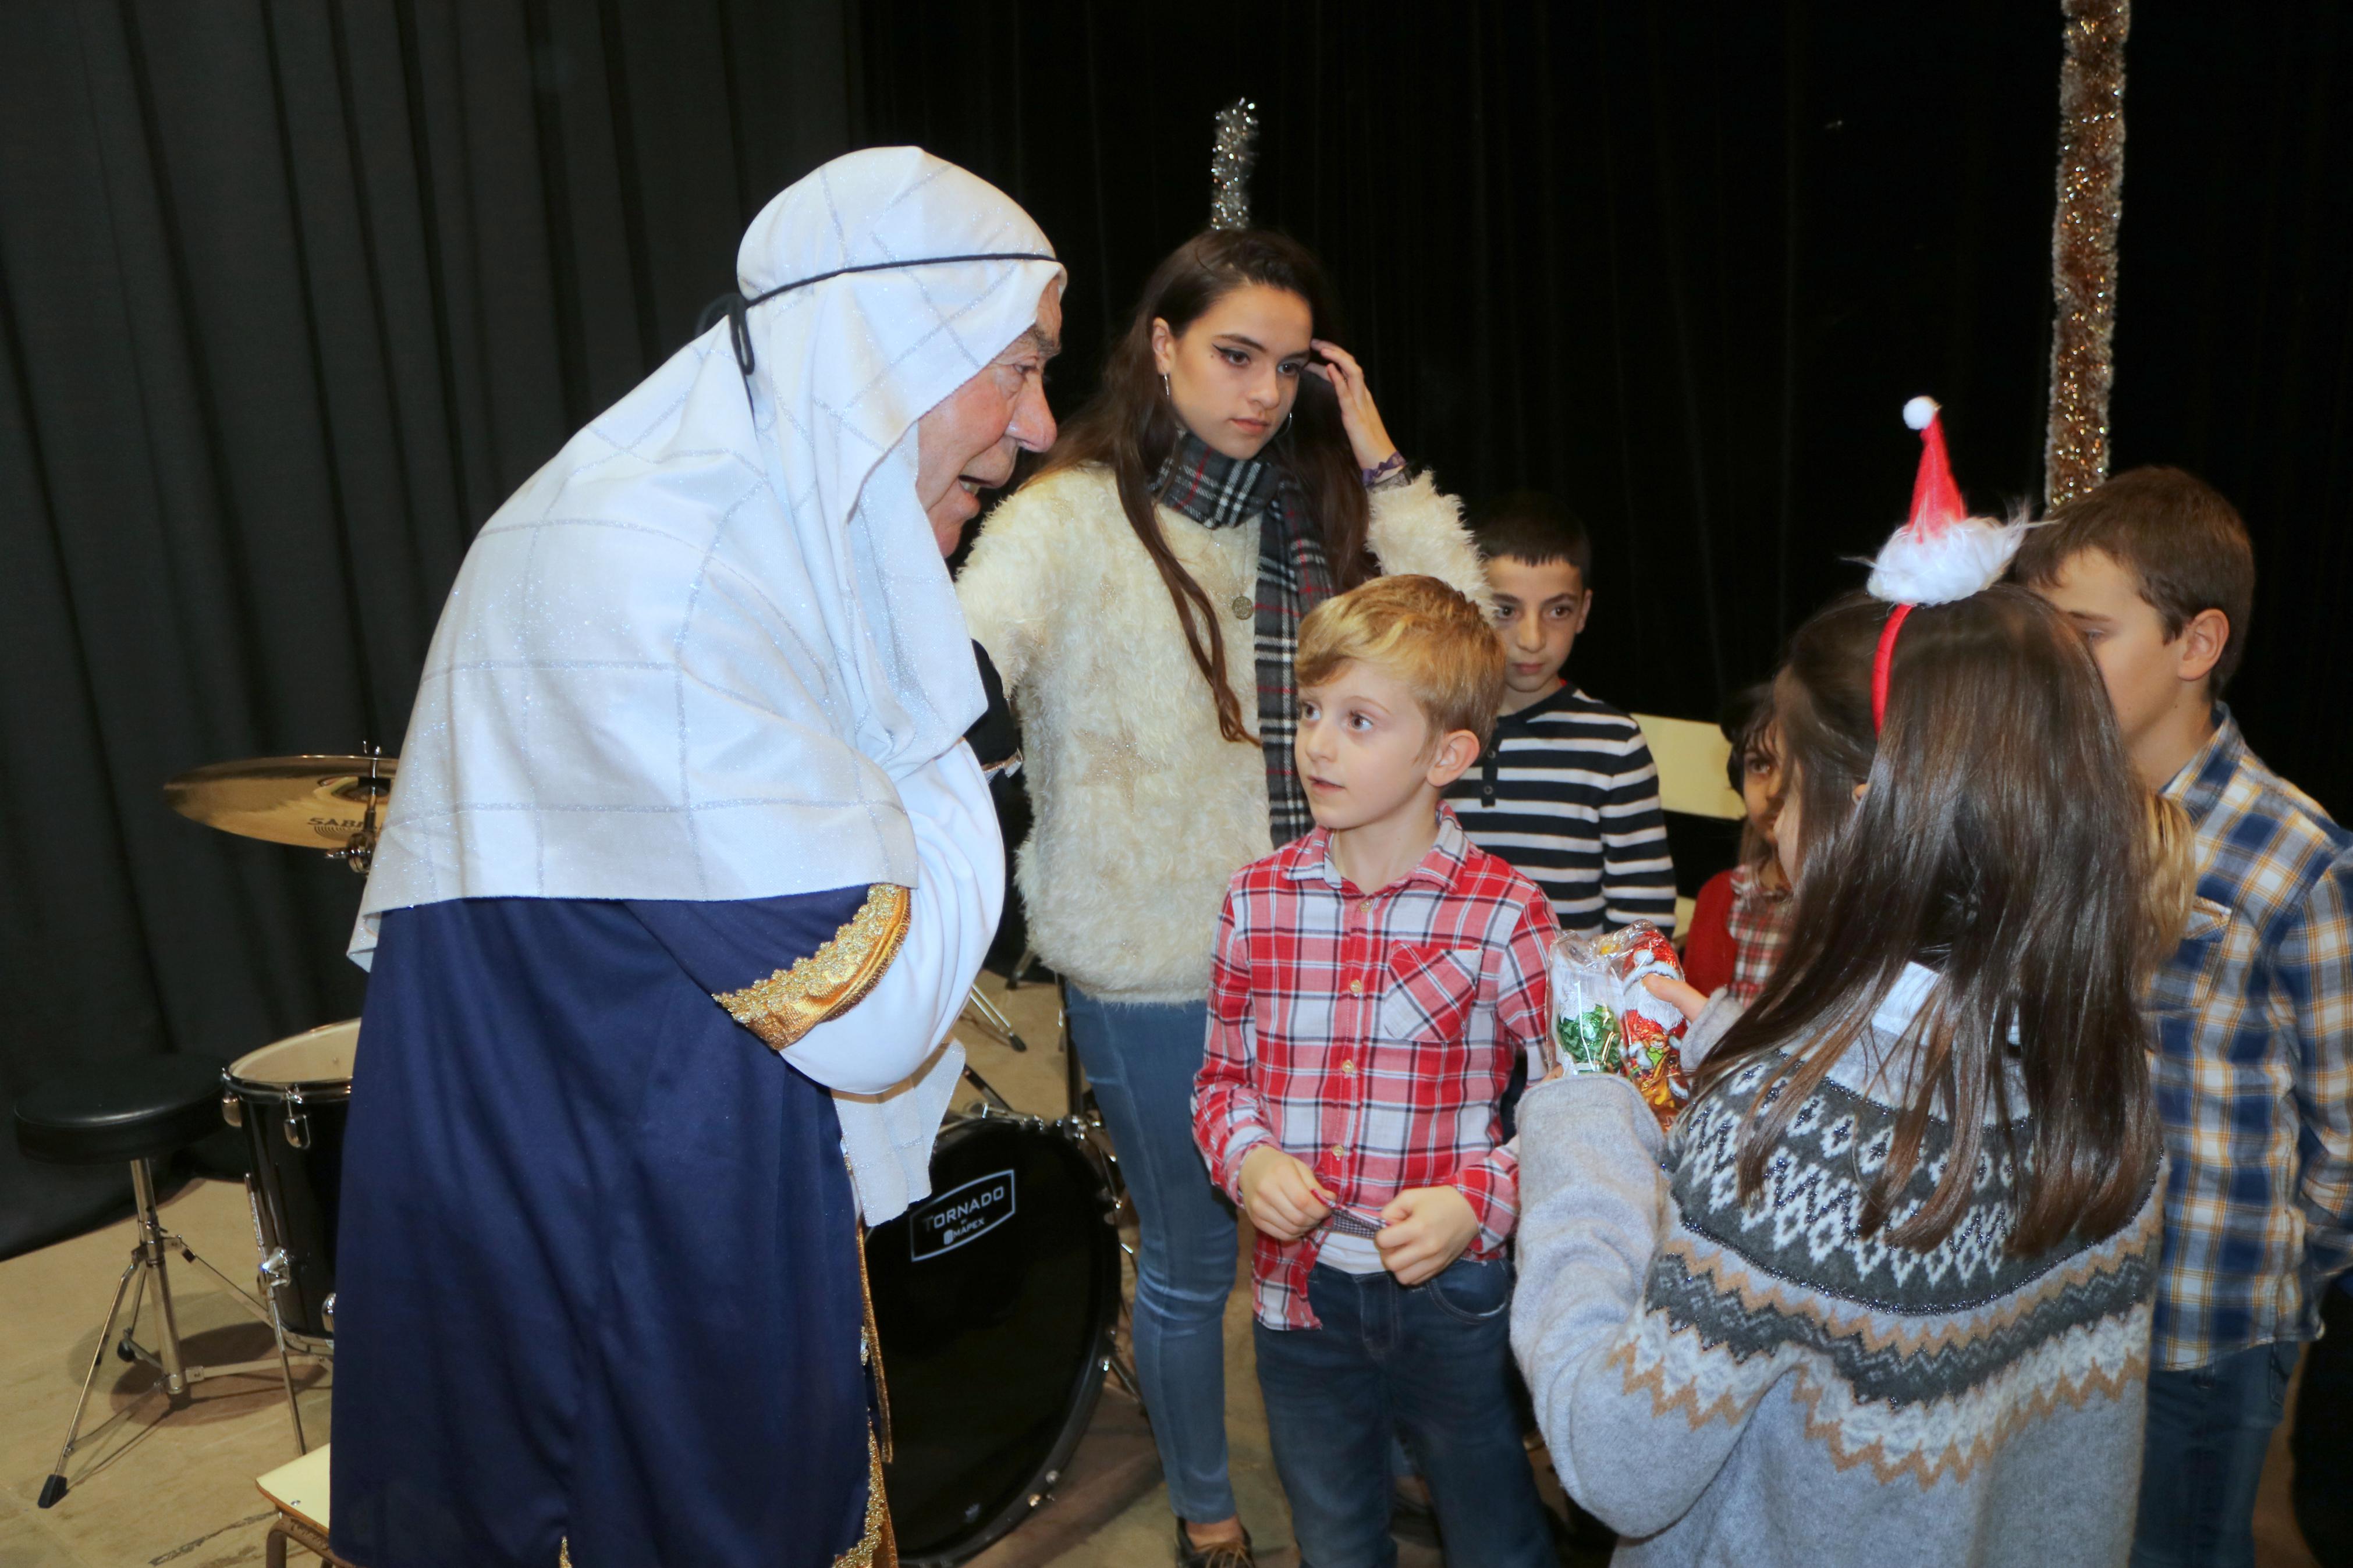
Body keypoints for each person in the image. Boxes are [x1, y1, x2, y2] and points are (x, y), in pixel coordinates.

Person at [329, 148, 1064, 1568]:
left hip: (640, 1155)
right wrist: (943, 711)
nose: (1034, 426)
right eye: (1013, 366)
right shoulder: (659, 568)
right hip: (610, 1225)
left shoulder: (705, 521)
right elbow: (880, 1004)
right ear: (880, 348)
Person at [1509, 406, 2173, 1566]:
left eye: (1787, 778)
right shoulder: (2097, 1063)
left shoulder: (1785, 1138)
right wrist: (1719, 1033)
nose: (1768, 815)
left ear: (1861, 811)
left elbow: (1614, 1464)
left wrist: (1579, 1118)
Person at [956, 229, 1485, 1566]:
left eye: (1288, 365)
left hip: (1328, 945)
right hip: (1151, 965)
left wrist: (1372, 451)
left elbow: (1462, 647)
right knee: (1198, 1268)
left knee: (1344, 1251)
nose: (1260, 391)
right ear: (1161, 345)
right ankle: (1204, 1511)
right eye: (1233, 354)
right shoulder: (1064, 519)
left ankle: (1391, 1479)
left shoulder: (1310, 519)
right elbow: (962, 659)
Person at [2014, 466, 2353, 1568]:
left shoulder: (2293, 855)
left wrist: (2273, 1274)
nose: (2055, 663)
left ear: (2195, 644)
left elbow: (2344, 1133)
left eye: (2089, 635)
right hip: (2042, 1306)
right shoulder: (2045, 813)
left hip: (2195, 1331)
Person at [1192, 575, 1558, 1568]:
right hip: (1294, 1299)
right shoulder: (1256, 902)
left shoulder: (1502, 912)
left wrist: (1477, 1199)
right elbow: (1221, 1081)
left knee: (1493, 1530)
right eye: (1310, 711)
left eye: (1358, 720)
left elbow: (1579, 1109)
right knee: (1335, 1536)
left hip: (1453, 1296)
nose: (1317, 743)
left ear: (1447, 754)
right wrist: (1248, 1161)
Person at [1446, 491, 1676, 936]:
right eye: (1505, 610)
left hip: (1567, 1004)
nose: (1531, 638)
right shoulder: (1433, 727)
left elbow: (1642, 924)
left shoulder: (1614, 745)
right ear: (1471, 602)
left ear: (1584, 611)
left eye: (1557, 610)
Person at [1680, 682, 1791, 1001]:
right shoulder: (1720, 897)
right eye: (1760, 765)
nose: (1774, 789)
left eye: (1796, 765)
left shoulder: (1857, 908)